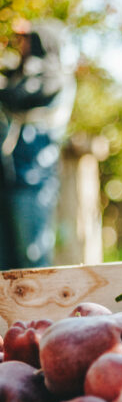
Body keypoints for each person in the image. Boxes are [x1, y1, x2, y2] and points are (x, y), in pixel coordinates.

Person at [0, 20, 76, 270]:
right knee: (7, 259)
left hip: (33, 181)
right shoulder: (23, 74)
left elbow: (18, 97)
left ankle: (39, 309)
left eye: (26, 39)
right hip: (10, 179)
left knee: (32, 257)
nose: (21, 45)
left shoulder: (53, 78)